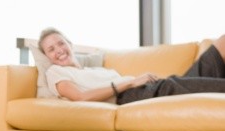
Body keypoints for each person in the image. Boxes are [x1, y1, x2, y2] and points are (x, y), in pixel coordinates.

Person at [38, 27, 225, 104]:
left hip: (149, 87)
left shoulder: (94, 70)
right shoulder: (55, 72)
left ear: (70, 44)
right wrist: (129, 83)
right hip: (128, 95)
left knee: (220, 44)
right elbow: (80, 96)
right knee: (172, 85)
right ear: (47, 57)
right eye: (51, 49)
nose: (59, 50)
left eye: (61, 43)